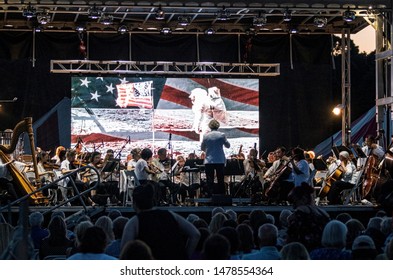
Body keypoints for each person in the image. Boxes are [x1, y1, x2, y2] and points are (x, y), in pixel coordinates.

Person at [121, 182, 200, 259]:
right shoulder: (171, 214)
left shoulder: (134, 222)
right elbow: (195, 234)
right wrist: (185, 257)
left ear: (134, 203)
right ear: (152, 199)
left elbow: (125, 251)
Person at [201, 119, 230, 196]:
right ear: (218, 126)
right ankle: (221, 196)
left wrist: (208, 149)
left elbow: (202, 148)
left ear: (209, 127)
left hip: (209, 160)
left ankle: (209, 196)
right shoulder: (222, 135)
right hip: (219, 160)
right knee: (220, 179)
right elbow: (228, 146)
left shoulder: (205, 136)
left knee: (209, 180)